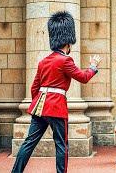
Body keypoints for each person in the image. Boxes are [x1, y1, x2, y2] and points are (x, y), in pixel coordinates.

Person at [12, 11, 102, 173]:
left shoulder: (43, 61)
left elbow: (34, 88)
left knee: (28, 143)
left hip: (40, 106)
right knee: (61, 145)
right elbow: (83, 77)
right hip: (56, 107)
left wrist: (39, 104)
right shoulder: (66, 60)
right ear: (68, 42)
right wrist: (93, 66)